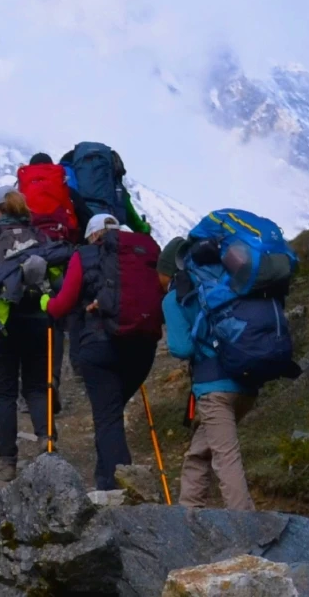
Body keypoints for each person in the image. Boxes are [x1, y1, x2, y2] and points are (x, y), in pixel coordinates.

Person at [45, 214, 160, 489]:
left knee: (107, 417)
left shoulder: (83, 256)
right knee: (111, 411)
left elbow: (62, 305)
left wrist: (45, 302)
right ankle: (104, 476)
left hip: (100, 347)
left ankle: (117, 489)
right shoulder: (141, 253)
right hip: (143, 346)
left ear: (92, 236)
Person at [160, 238, 260, 510]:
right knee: (198, 453)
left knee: (225, 457)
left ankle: (247, 529)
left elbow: (181, 348)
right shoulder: (226, 284)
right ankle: (188, 515)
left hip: (214, 388)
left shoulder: (175, 298)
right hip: (248, 382)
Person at [0, 189, 55, 481]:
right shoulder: (40, 238)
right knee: (36, 385)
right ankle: (47, 439)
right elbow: (56, 276)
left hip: (4, 324)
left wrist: (0, 296)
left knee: (5, 391)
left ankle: (7, 461)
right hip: (38, 320)